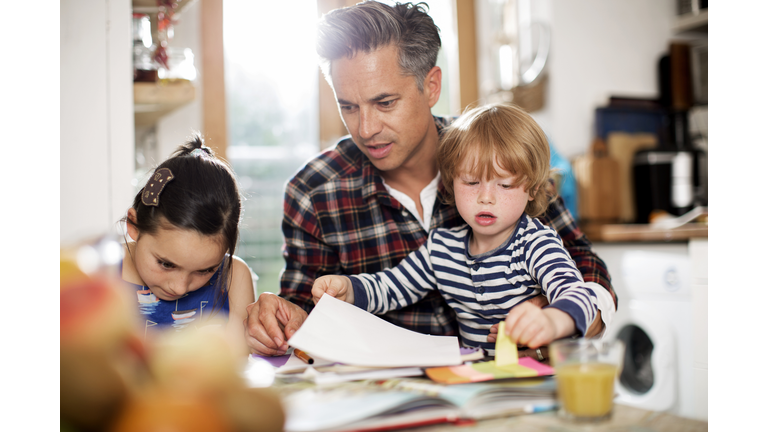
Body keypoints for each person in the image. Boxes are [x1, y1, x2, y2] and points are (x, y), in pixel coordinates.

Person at [244, 1, 616, 358]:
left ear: (432, 85)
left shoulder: (501, 157)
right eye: (348, 107)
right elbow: (308, 309)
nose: (367, 128)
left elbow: (585, 268)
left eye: (385, 102)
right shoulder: (312, 191)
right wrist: (283, 321)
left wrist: (556, 317)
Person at [311, 103, 598, 355]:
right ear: (450, 184)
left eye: (505, 184)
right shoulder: (441, 249)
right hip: (473, 381)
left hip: (535, 382)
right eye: (472, 182)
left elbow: (579, 295)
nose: (487, 196)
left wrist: (551, 320)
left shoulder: (536, 244)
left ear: (533, 189)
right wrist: (348, 290)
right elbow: (391, 288)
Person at [121, 133, 255, 352]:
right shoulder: (103, 272)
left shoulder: (235, 277)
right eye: (166, 264)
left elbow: (234, 365)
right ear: (134, 226)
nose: (180, 287)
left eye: (206, 270)